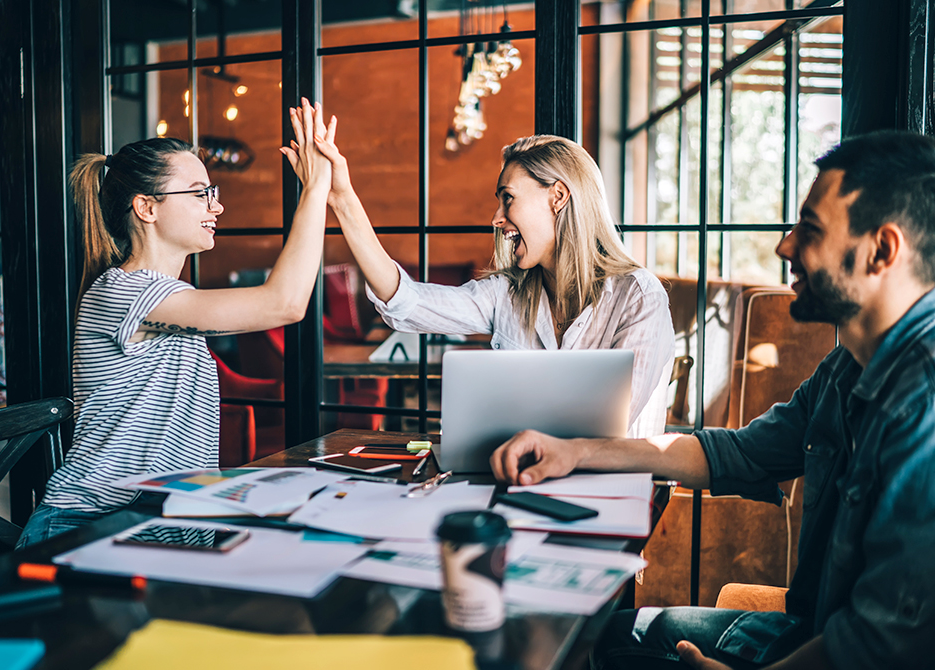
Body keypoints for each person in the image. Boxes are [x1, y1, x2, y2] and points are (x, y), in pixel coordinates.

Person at [489, 130, 935, 669]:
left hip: (827, 652)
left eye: (809, 230)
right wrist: (575, 450)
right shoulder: (846, 368)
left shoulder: (923, 402)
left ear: (882, 250)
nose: (784, 246)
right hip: (805, 631)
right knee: (596, 638)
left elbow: (885, 642)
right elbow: (738, 453)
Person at [16, 99, 334, 548]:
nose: (216, 207)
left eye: (213, 192)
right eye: (200, 192)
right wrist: (316, 188)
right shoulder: (127, 293)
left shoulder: (168, 298)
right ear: (147, 207)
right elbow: (283, 304)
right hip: (92, 527)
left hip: (161, 523)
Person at [291, 122, 675, 438]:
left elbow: (609, 430)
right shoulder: (508, 293)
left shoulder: (639, 297)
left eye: (508, 198)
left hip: (612, 501)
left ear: (558, 197)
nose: (497, 217)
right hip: (520, 486)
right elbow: (407, 301)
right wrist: (341, 198)